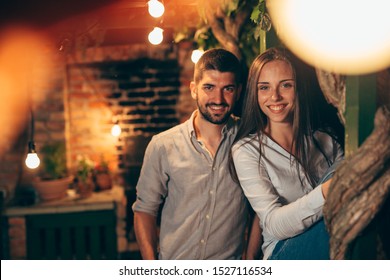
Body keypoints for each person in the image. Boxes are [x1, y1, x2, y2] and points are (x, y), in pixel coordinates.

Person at [132, 48, 261, 260]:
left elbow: (260, 208)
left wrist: (249, 262)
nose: (218, 99)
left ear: (238, 91)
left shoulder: (250, 140)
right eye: (209, 87)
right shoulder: (163, 145)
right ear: (194, 89)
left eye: (227, 89)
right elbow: (144, 209)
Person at [230, 47, 344, 260]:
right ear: (254, 94)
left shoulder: (327, 139)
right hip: (283, 251)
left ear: (298, 87)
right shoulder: (247, 150)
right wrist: (326, 192)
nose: (275, 96)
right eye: (264, 87)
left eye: (286, 85)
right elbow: (273, 224)